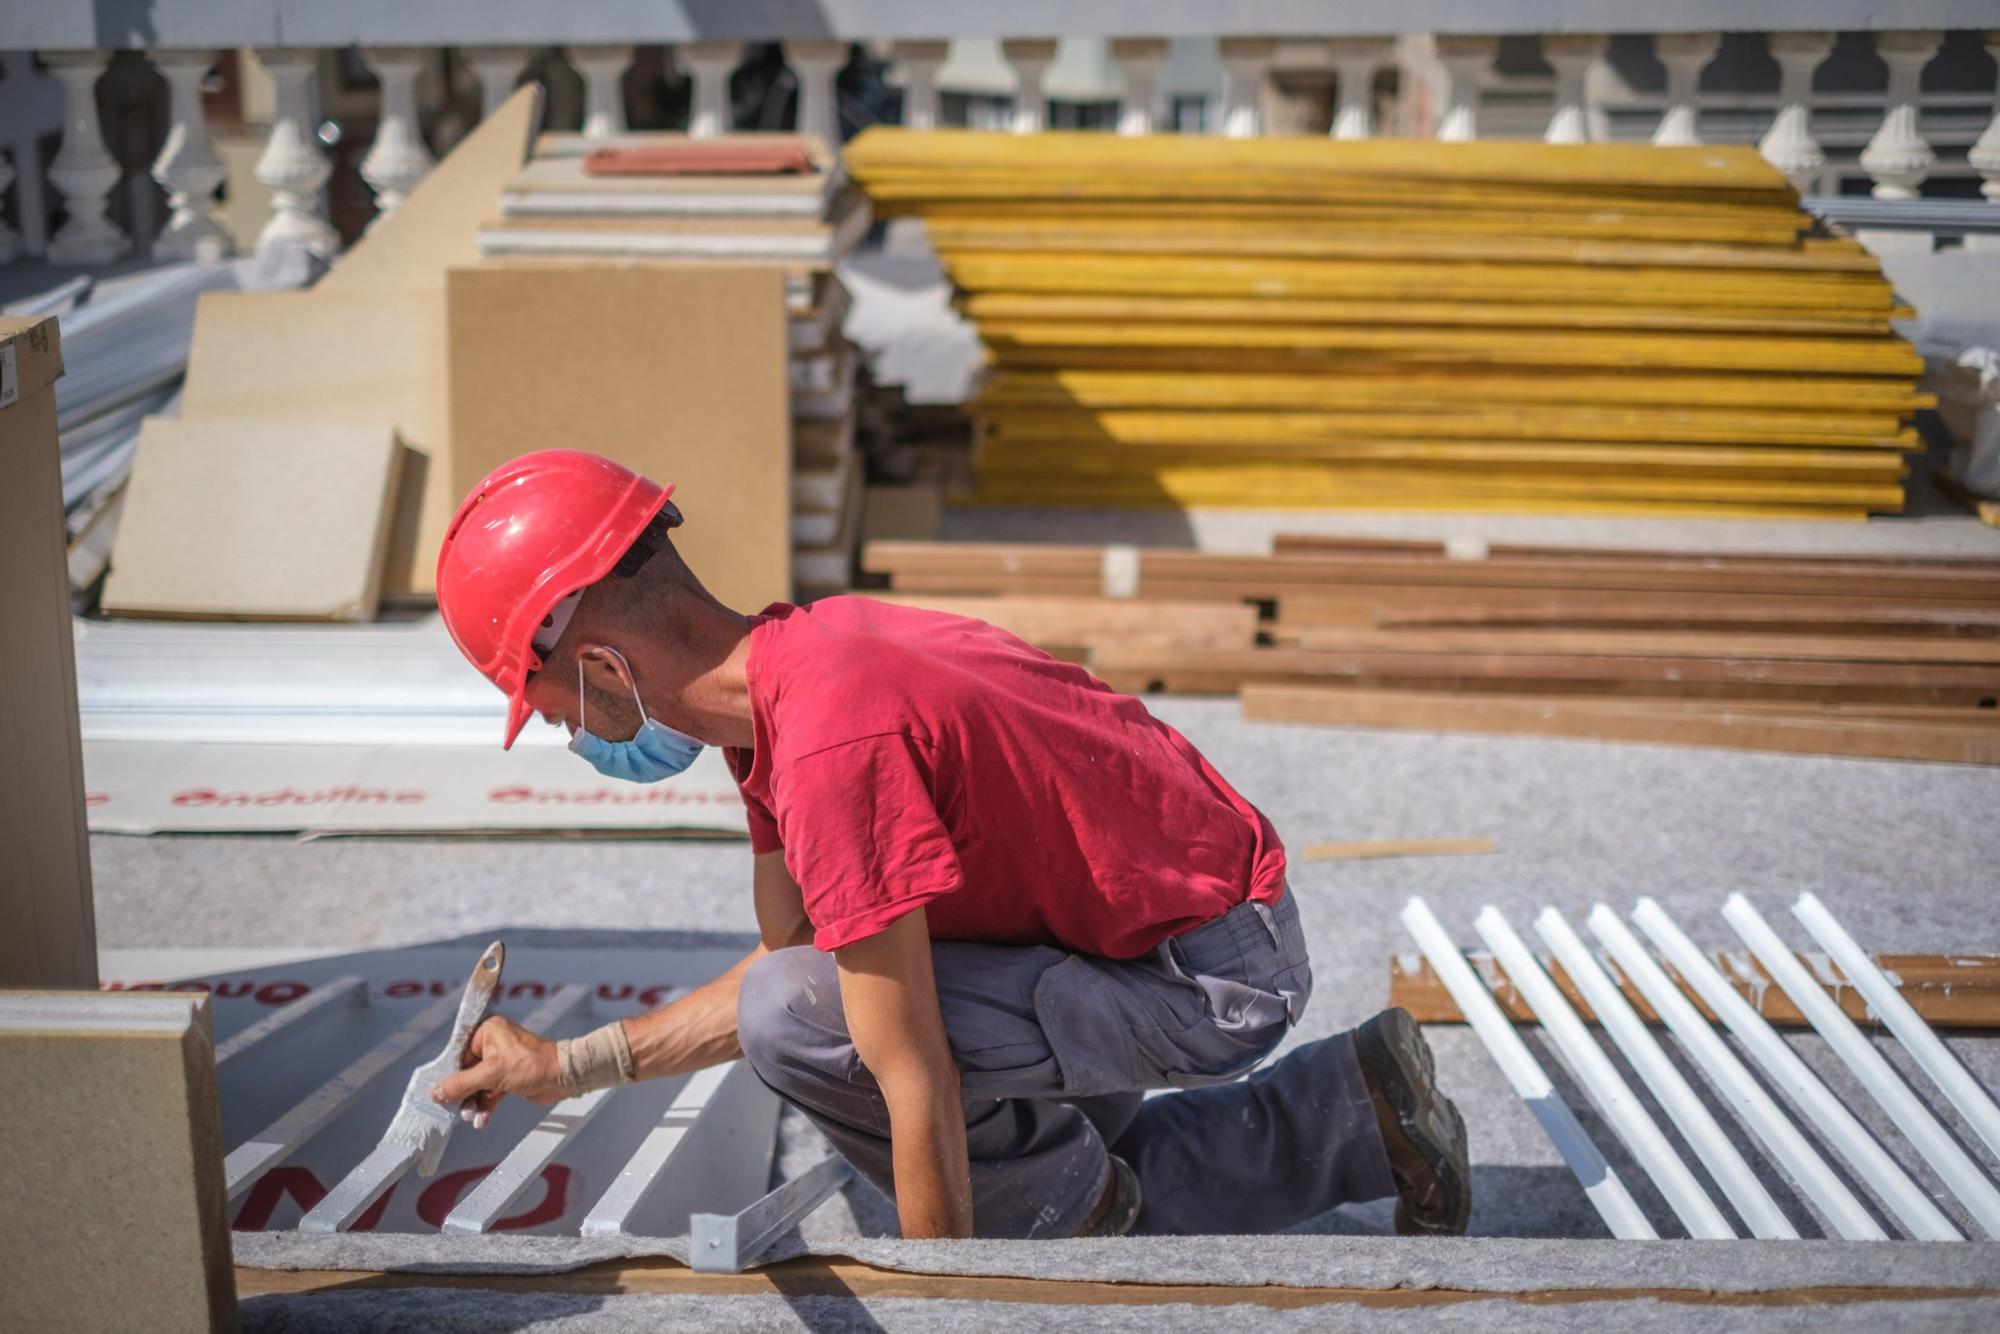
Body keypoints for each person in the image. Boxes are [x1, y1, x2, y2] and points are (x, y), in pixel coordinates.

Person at [429, 449, 1469, 1239]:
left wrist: (950, 1296)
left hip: (1203, 975)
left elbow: (901, 1061)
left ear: (600, 662)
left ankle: (1084, 1219)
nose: (567, 733)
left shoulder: (832, 734)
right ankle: (1358, 1105)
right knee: (806, 998)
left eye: (550, 702)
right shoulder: (791, 674)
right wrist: (567, 1063)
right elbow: (801, 952)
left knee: (1017, 1179)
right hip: (1148, 935)